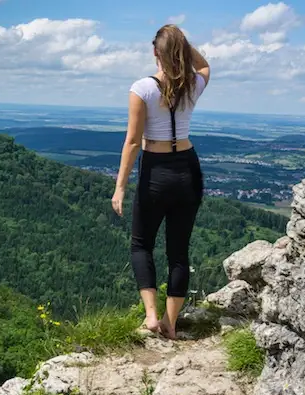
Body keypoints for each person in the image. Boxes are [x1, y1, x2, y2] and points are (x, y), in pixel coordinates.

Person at [111, 24, 210, 340]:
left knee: (142, 243)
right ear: (180, 52)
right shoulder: (192, 84)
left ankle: (151, 316)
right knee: (179, 252)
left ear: (155, 52)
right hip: (188, 168)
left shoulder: (142, 88)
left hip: (155, 170)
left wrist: (121, 187)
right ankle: (171, 323)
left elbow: (131, 141)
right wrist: (181, 43)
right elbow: (205, 65)